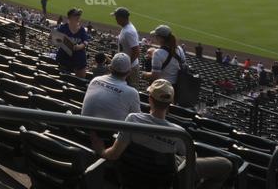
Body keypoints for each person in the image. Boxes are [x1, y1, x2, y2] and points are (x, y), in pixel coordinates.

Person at [92, 79, 232, 189]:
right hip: (163, 179)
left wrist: (101, 151)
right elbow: (191, 158)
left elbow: (114, 154)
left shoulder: (133, 119)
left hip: (133, 179)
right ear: (170, 104)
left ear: (150, 100)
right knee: (226, 164)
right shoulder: (178, 134)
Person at [82, 53, 140, 122]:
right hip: (111, 131)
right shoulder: (132, 93)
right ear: (129, 72)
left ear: (110, 68)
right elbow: (136, 121)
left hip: (83, 128)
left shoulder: (95, 80)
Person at [54, 7, 90, 78]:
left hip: (79, 59)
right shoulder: (63, 27)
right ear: (70, 17)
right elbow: (53, 38)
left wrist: (80, 47)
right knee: (63, 77)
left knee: (80, 80)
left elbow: (86, 42)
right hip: (64, 57)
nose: (78, 17)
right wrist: (65, 43)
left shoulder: (82, 29)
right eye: (76, 15)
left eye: (79, 15)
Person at [113, 7, 140, 88]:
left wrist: (127, 66)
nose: (115, 19)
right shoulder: (126, 28)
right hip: (125, 66)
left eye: (116, 17)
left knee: (131, 89)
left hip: (129, 68)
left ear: (121, 18)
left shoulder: (129, 31)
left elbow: (136, 51)